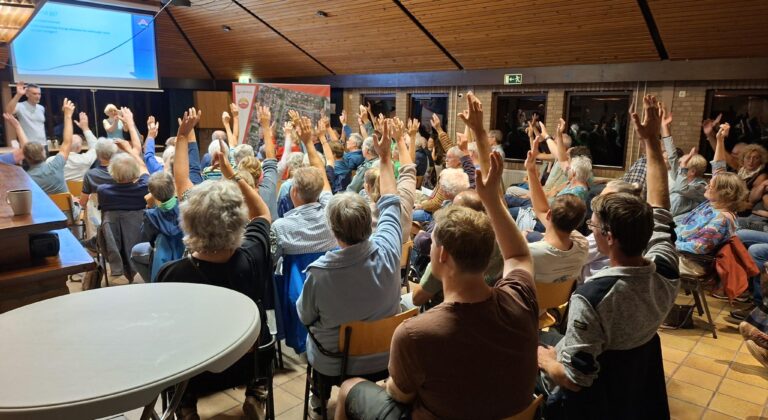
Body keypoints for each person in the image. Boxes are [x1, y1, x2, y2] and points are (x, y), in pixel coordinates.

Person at [336, 92, 538, 420]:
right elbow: (517, 254)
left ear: (441, 255)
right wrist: (490, 198)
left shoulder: (417, 333)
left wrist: (390, 384)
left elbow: (400, 394)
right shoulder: (521, 299)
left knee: (349, 389)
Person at [537, 95, 679, 419]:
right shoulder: (666, 270)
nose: (591, 228)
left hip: (595, 401)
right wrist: (652, 143)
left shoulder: (592, 297)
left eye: (593, 224)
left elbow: (573, 380)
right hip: (635, 389)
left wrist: (546, 362)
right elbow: (661, 207)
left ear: (609, 237)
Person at [155, 108, 272, 420]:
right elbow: (262, 215)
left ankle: (185, 404)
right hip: (245, 361)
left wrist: (182, 137)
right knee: (262, 331)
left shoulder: (172, 274)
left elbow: (181, 182)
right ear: (239, 222)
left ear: (188, 224)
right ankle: (256, 391)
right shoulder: (252, 255)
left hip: (197, 367)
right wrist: (233, 174)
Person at [297, 119, 402, 418]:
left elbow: (305, 315)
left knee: (312, 337)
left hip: (336, 360)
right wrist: (385, 158)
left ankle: (319, 400)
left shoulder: (319, 273)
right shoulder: (390, 249)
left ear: (333, 230)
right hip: (384, 353)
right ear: (369, 223)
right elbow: (392, 201)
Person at [675, 123, 748, 257]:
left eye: (711, 185)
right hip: (677, 242)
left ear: (724, 192)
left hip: (687, 261)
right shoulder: (716, 204)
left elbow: (699, 247)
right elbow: (719, 167)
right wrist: (719, 140)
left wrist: (668, 243)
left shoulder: (722, 219)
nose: (707, 186)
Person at [523, 143, 588, 287]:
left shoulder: (530, 252)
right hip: (560, 305)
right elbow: (542, 210)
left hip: (532, 306)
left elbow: (540, 209)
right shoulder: (583, 246)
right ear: (578, 223)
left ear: (549, 215)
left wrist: (531, 170)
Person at [130, 172, 183, 283]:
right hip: (184, 251)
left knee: (135, 252)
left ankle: (152, 282)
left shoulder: (151, 215)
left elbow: (146, 238)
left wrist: (150, 206)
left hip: (162, 256)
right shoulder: (185, 208)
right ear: (173, 186)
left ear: (152, 194)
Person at [25, 98, 74, 194]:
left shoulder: (26, 179)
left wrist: (18, 126)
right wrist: (68, 116)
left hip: (42, 209)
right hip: (66, 209)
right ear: (44, 153)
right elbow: (67, 142)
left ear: (26, 158)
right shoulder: (55, 166)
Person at [48, 112, 98, 181]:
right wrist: (85, 128)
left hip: (60, 191)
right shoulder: (85, 160)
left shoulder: (51, 161)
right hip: (80, 191)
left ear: (63, 145)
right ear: (79, 148)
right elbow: (96, 146)